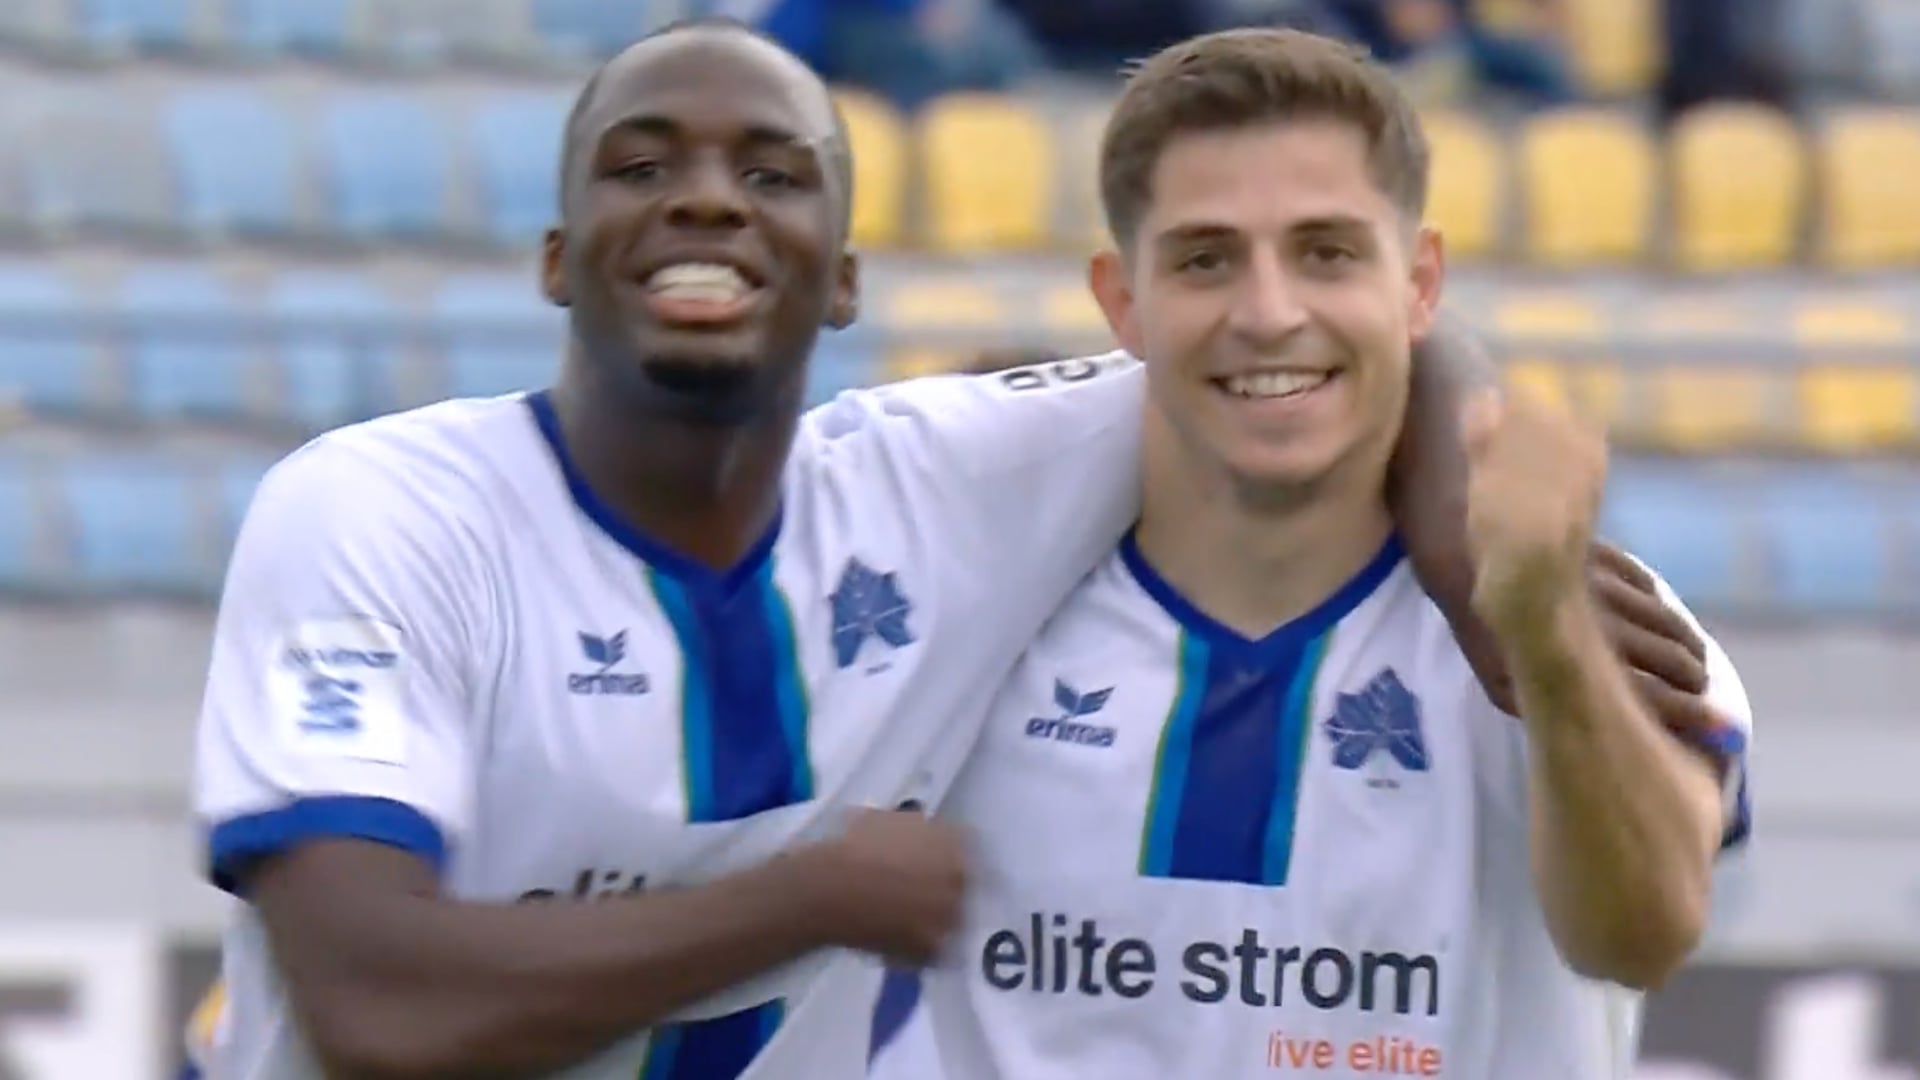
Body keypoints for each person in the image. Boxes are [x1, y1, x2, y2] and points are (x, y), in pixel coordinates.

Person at [189, 17, 1714, 1080]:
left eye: (772, 172)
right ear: (551, 257)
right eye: (641, 166)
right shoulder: (388, 514)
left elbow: (1321, 349)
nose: (708, 199)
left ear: (845, 277)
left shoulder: (939, 493)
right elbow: (377, 1011)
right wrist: (813, 897)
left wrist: (1474, 565)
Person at [900, 27, 1752, 1080]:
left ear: (1421, 283)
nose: (1269, 313)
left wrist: (1544, 632)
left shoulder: (1590, 615)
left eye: (1327, 253)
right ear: (1122, 302)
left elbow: (1642, 937)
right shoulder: (970, 613)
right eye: (1206, 259)